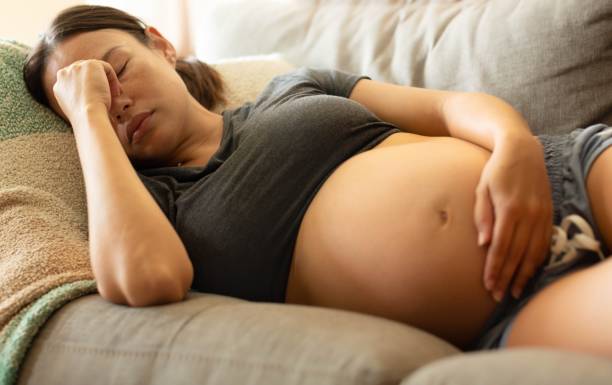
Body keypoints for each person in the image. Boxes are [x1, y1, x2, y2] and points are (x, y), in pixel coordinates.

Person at [23, 5, 612, 356]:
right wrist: (89, 118)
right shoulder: (155, 206)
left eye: (116, 70)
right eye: (95, 101)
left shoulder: (295, 88)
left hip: (563, 171)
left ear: (161, 44)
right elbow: (146, 280)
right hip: (504, 303)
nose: (117, 101)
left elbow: (453, 108)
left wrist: (513, 147)